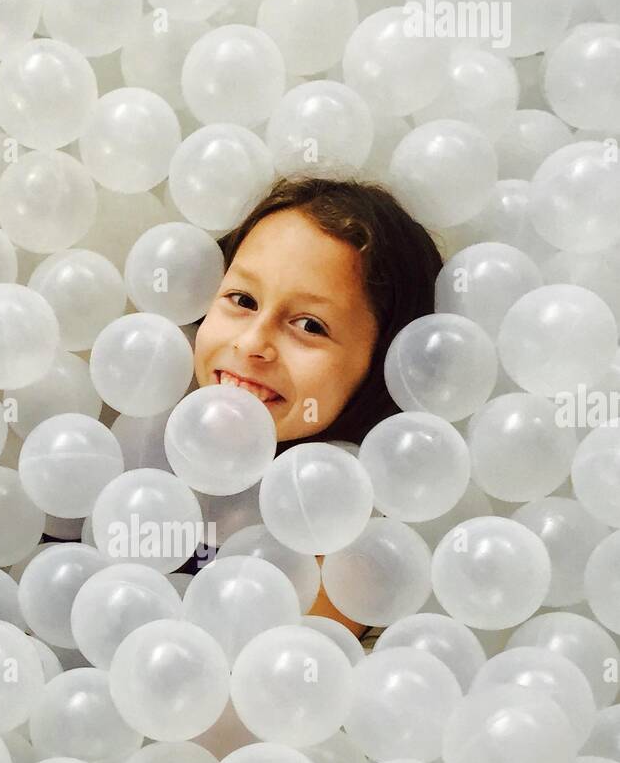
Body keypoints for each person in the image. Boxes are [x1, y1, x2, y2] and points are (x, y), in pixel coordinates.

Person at [186, 173, 445, 645]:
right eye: (242, 299)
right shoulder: (142, 448)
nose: (251, 344)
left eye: (309, 324)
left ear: (384, 366)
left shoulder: (338, 551)